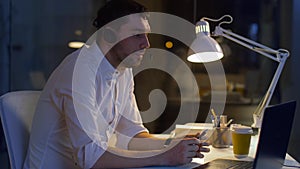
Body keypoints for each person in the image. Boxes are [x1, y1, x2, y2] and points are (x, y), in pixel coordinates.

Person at [23, 0, 209, 168]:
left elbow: (132, 135)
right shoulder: (79, 70)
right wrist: (165, 157)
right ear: (109, 36)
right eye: (137, 35)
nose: (146, 43)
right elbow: (90, 158)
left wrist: (173, 143)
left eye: (146, 35)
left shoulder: (123, 69)